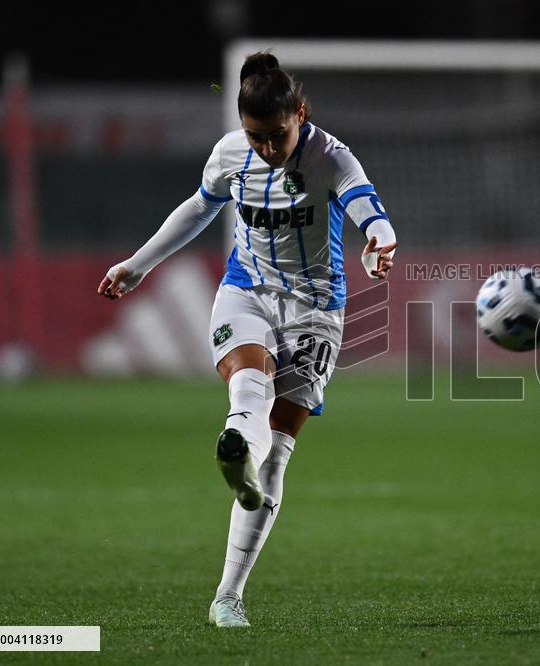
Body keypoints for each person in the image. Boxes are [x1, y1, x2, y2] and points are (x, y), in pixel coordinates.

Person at [97, 51, 397, 628]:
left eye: (277, 134)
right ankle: (237, 449)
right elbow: (199, 207)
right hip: (246, 292)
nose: (266, 148)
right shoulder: (231, 153)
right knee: (248, 390)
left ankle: (228, 593)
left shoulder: (330, 156)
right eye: (256, 136)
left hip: (315, 311)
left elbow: (369, 207)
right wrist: (138, 265)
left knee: (278, 451)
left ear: (300, 114)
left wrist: (379, 242)